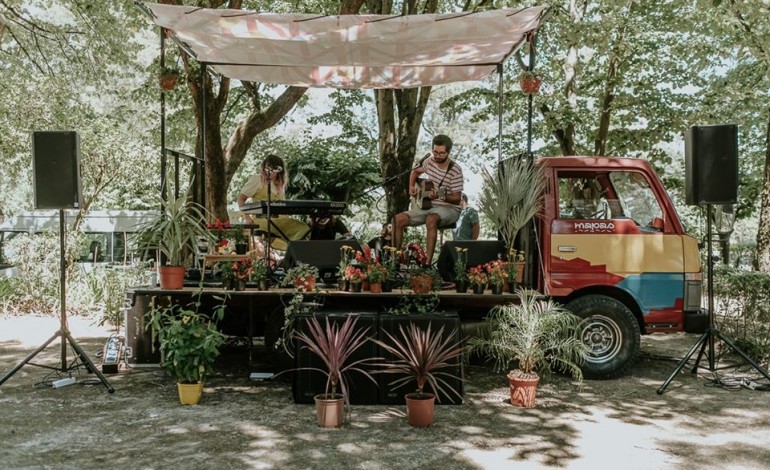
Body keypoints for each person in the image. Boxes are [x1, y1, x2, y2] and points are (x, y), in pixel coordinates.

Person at [392, 134, 464, 265]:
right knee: (397, 220)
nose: (437, 156)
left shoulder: (455, 170)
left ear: (448, 152)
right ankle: (395, 262)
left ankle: (427, 264)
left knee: (431, 219)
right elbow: (415, 172)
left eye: (441, 153)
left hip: (450, 208)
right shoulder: (429, 161)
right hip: (428, 205)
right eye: (435, 152)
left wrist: (440, 195)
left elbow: (457, 199)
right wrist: (411, 187)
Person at [236, 154, 309, 250]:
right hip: (262, 220)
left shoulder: (279, 185)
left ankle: (295, 254)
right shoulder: (257, 180)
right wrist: (247, 217)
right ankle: (292, 252)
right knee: (300, 228)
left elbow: (282, 206)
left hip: (280, 220)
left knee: (304, 229)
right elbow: (241, 199)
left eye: (273, 168)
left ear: (279, 170)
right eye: (267, 168)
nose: (270, 172)